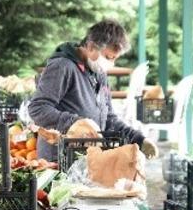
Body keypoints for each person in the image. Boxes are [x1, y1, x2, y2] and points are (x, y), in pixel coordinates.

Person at [28, 19, 159, 162]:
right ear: (90, 47)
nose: (111, 63)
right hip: (59, 159)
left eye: (114, 59)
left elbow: (109, 119)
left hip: (87, 159)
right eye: (108, 57)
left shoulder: (99, 73)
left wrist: (139, 139)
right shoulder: (62, 67)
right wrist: (75, 122)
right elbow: (37, 108)